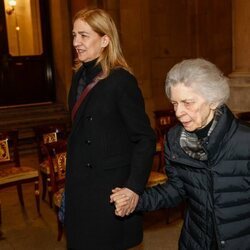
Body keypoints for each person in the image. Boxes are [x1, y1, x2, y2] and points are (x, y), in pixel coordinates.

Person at [111, 58, 250, 250]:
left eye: (188, 103)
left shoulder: (245, 142)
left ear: (213, 100)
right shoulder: (175, 140)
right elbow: (177, 189)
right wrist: (137, 200)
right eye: (175, 103)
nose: (179, 112)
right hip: (195, 242)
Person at [64, 8, 156, 250]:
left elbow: (145, 139)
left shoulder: (121, 81)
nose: (76, 43)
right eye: (74, 35)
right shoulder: (78, 77)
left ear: (105, 40)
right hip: (80, 185)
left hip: (109, 189)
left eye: (84, 36)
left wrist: (134, 187)